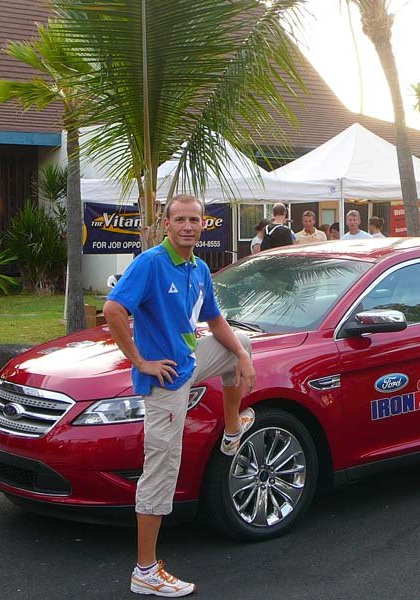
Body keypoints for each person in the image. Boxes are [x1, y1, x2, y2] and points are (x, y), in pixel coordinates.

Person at [103, 194, 256, 598]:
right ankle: (145, 571)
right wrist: (141, 361)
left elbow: (215, 319)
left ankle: (231, 429)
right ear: (166, 224)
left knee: (240, 344)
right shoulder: (152, 263)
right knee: (162, 469)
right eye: (181, 220)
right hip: (166, 380)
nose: (188, 226)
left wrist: (242, 357)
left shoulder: (198, 267)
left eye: (194, 220)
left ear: (204, 225)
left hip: (189, 362)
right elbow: (114, 309)